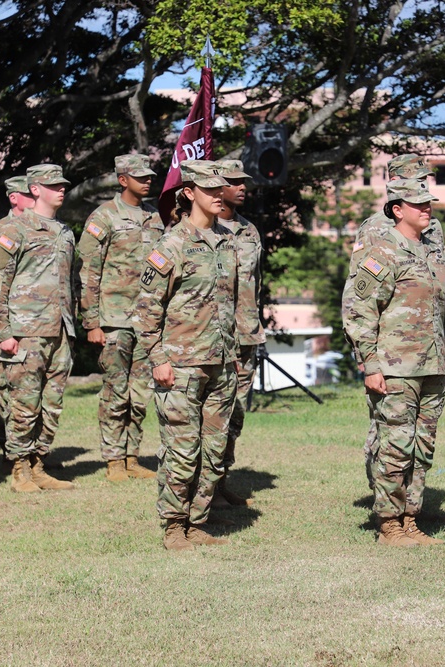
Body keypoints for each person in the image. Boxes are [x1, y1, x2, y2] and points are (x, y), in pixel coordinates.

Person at [132, 160, 239, 551]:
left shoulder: (228, 242)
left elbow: (233, 303)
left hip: (221, 362)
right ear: (189, 193)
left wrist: (235, 352)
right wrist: (158, 358)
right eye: (209, 190)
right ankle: (174, 526)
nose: (218, 195)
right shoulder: (171, 244)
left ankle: (197, 522)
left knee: (213, 450)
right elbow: (145, 309)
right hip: (180, 364)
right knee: (182, 448)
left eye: (220, 189)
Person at [342, 178, 445, 547]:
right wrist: (370, 364)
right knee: (394, 447)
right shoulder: (383, 254)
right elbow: (357, 310)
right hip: (395, 368)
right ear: (396, 209)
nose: (426, 208)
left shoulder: (431, 252)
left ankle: (410, 520)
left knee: (422, 448)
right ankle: (389, 524)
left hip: (432, 366)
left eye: (428, 203)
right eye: (416, 203)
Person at [0, 164, 77, 493]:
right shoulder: (15, 230)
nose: (61, 189)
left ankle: (38, 462)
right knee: (24, 402)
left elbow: (71, 283)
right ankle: (20, 467)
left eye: (63, 184)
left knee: (52, 402)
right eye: (53, 185)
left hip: (60, 330)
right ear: (34, 189)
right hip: (26, 331)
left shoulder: (65, 232)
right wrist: (2, 330)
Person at [77, 154, 163, 482]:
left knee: (140, 392)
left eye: (149, 176)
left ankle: (131, 457)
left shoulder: (155, 217)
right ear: (122, 180)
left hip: (146, 319)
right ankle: (113, 459)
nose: (147, 181)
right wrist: (92, 322)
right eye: (139, 177)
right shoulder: (104, 217)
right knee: (115, 390)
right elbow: (89, 271)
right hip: (113, 319)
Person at [213, 159, 263, 507]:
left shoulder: (249, 231)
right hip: (210, 337)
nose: (242, 186)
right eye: (233, 181)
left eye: (243, 181)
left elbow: (254, 285)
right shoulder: (195, 232)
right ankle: (199, 487)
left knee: (235, 413)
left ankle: (219, 480)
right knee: (208, 414)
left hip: (245, 335)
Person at [0, 175, 35, 453]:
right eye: (29, 194)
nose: (37, 198)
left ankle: (33, 452)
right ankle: (7, 448)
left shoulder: (43, 229)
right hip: (5, 325)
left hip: (35, 324)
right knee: (5, 389)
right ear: (14, 198)